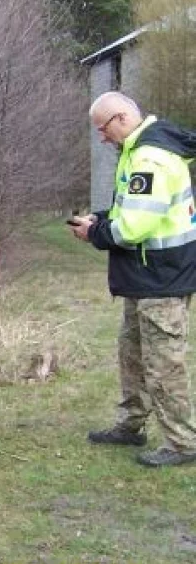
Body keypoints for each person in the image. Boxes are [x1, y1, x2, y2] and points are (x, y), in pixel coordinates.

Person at [71, 91, 196, 467]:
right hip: (144, 277)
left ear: (122, 118)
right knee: (133, 357)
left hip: (162, 279)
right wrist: (100, 218)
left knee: (164, 364)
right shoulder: (137, 151)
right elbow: (132, 208)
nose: (102, 138)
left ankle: (183, 443)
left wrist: (95, 234)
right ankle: (130, 425)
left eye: (103, 128)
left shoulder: (150, 157)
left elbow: (135, 226)